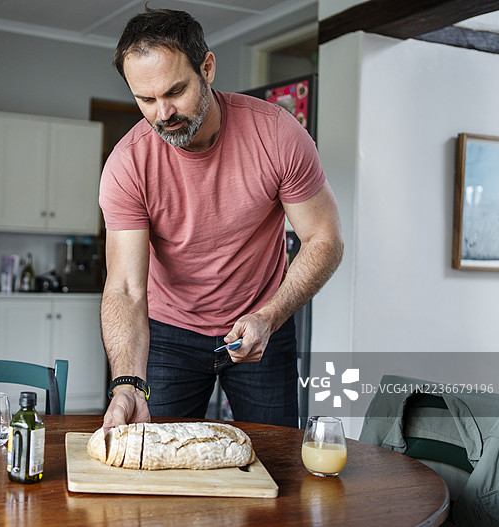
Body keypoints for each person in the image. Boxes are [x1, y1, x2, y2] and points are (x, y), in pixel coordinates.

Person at [99, 8, 344, 429]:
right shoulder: (127, 165)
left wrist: (269, 316)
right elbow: (124, 287)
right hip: (169, 332)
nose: (163, 113)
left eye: (176, 91)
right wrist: (127, 383)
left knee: (274, 459)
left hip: (262, 321)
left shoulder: (278, 135)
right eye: (146, 100)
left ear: (207, 68)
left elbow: (325, 239)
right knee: (161, 459)